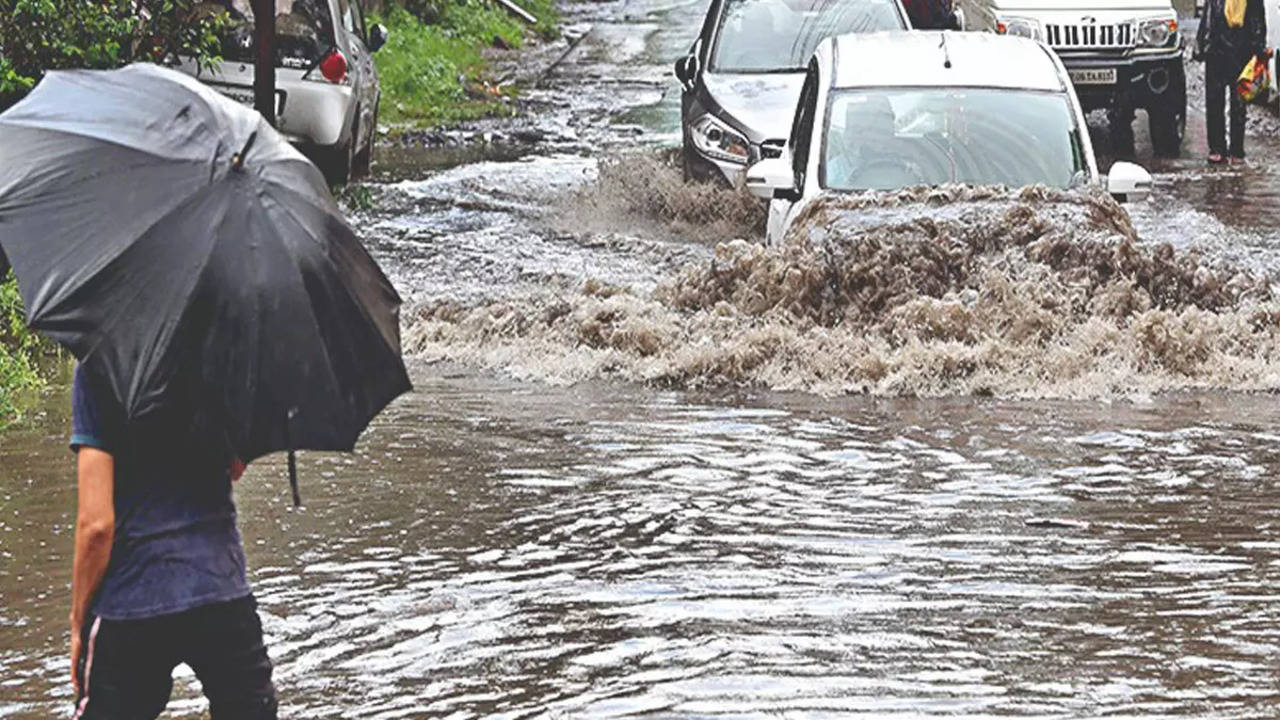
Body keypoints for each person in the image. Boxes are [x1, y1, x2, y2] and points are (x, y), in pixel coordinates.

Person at [68, 363, 276, 719]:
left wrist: (78, 622)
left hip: (132, 598)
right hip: (220, 588)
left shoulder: (99, 366)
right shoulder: (226, 358)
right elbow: (236, 468)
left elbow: (96, 525)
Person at [1196, 0, 1267, 164]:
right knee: (1214, 101)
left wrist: (1259, 48)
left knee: (1239, 102)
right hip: (1216, 50)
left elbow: (1258, 19)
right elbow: (1208, 17)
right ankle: (1217, 148)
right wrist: (1202, 45)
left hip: (1242, 50)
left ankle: (1236, 149)